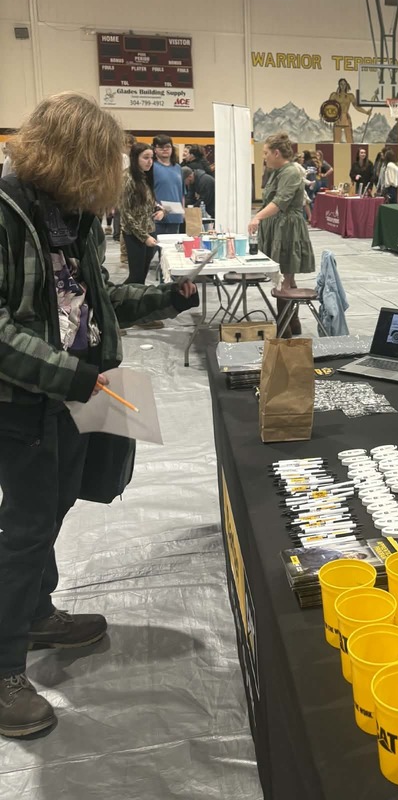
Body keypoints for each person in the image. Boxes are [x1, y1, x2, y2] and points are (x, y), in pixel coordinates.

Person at [0, 92, 199, 738]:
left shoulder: (69, 219)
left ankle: (35, 612)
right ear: (69, 160)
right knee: (25, 527)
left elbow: (95, 299)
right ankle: (5, 671)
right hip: (23, 402)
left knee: (54, 505)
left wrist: (166, 297)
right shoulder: (6, 214)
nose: (110, 184)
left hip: (70, 398)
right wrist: (74, 375)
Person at [248, 132, 315, 294]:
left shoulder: (290, 172)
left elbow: (280, 201)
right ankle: (288, 318)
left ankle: (288, 318)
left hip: (287, 228)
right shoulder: (277, 171)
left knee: (286, 279)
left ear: (276, 153)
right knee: (285, 280)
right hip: (277, 225)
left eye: (266, 153)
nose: (264, 157)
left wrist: (257, 217)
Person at [121, 141, 165, 285]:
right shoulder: (127, 178)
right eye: (145, 158)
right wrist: (144, 236)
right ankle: (120, 303)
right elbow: (126, 214)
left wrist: (159, 210)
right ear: (135, 158)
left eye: (152, 158)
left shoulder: (144, 176)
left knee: (142, 277)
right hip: (135, 235)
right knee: (136, 277)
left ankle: (136, 304)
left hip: (149, 231)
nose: (150, 162)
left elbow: (149, 202)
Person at [151, 134, 186, 235]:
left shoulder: (178, 168)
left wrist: (183, 211)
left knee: (171, 249)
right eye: (161, 147)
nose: (165, 149)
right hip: (157, 216)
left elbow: (182, 193)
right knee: (155, 248)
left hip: (175, 216)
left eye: (168, 147)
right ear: (155, 149)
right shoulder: (151, 167)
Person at [327, 78, 372, 144]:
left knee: (349, 140)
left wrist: (366, 112)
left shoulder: (350, 96)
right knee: (336, 141)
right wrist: (331, 117)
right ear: (339, 85)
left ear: (346, 85)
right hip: (337, 118)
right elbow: (328, 106)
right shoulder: (334, 95)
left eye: (344, 84)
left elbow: (356, 106)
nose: (342, 86)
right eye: (341, 84)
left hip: (346, 117)